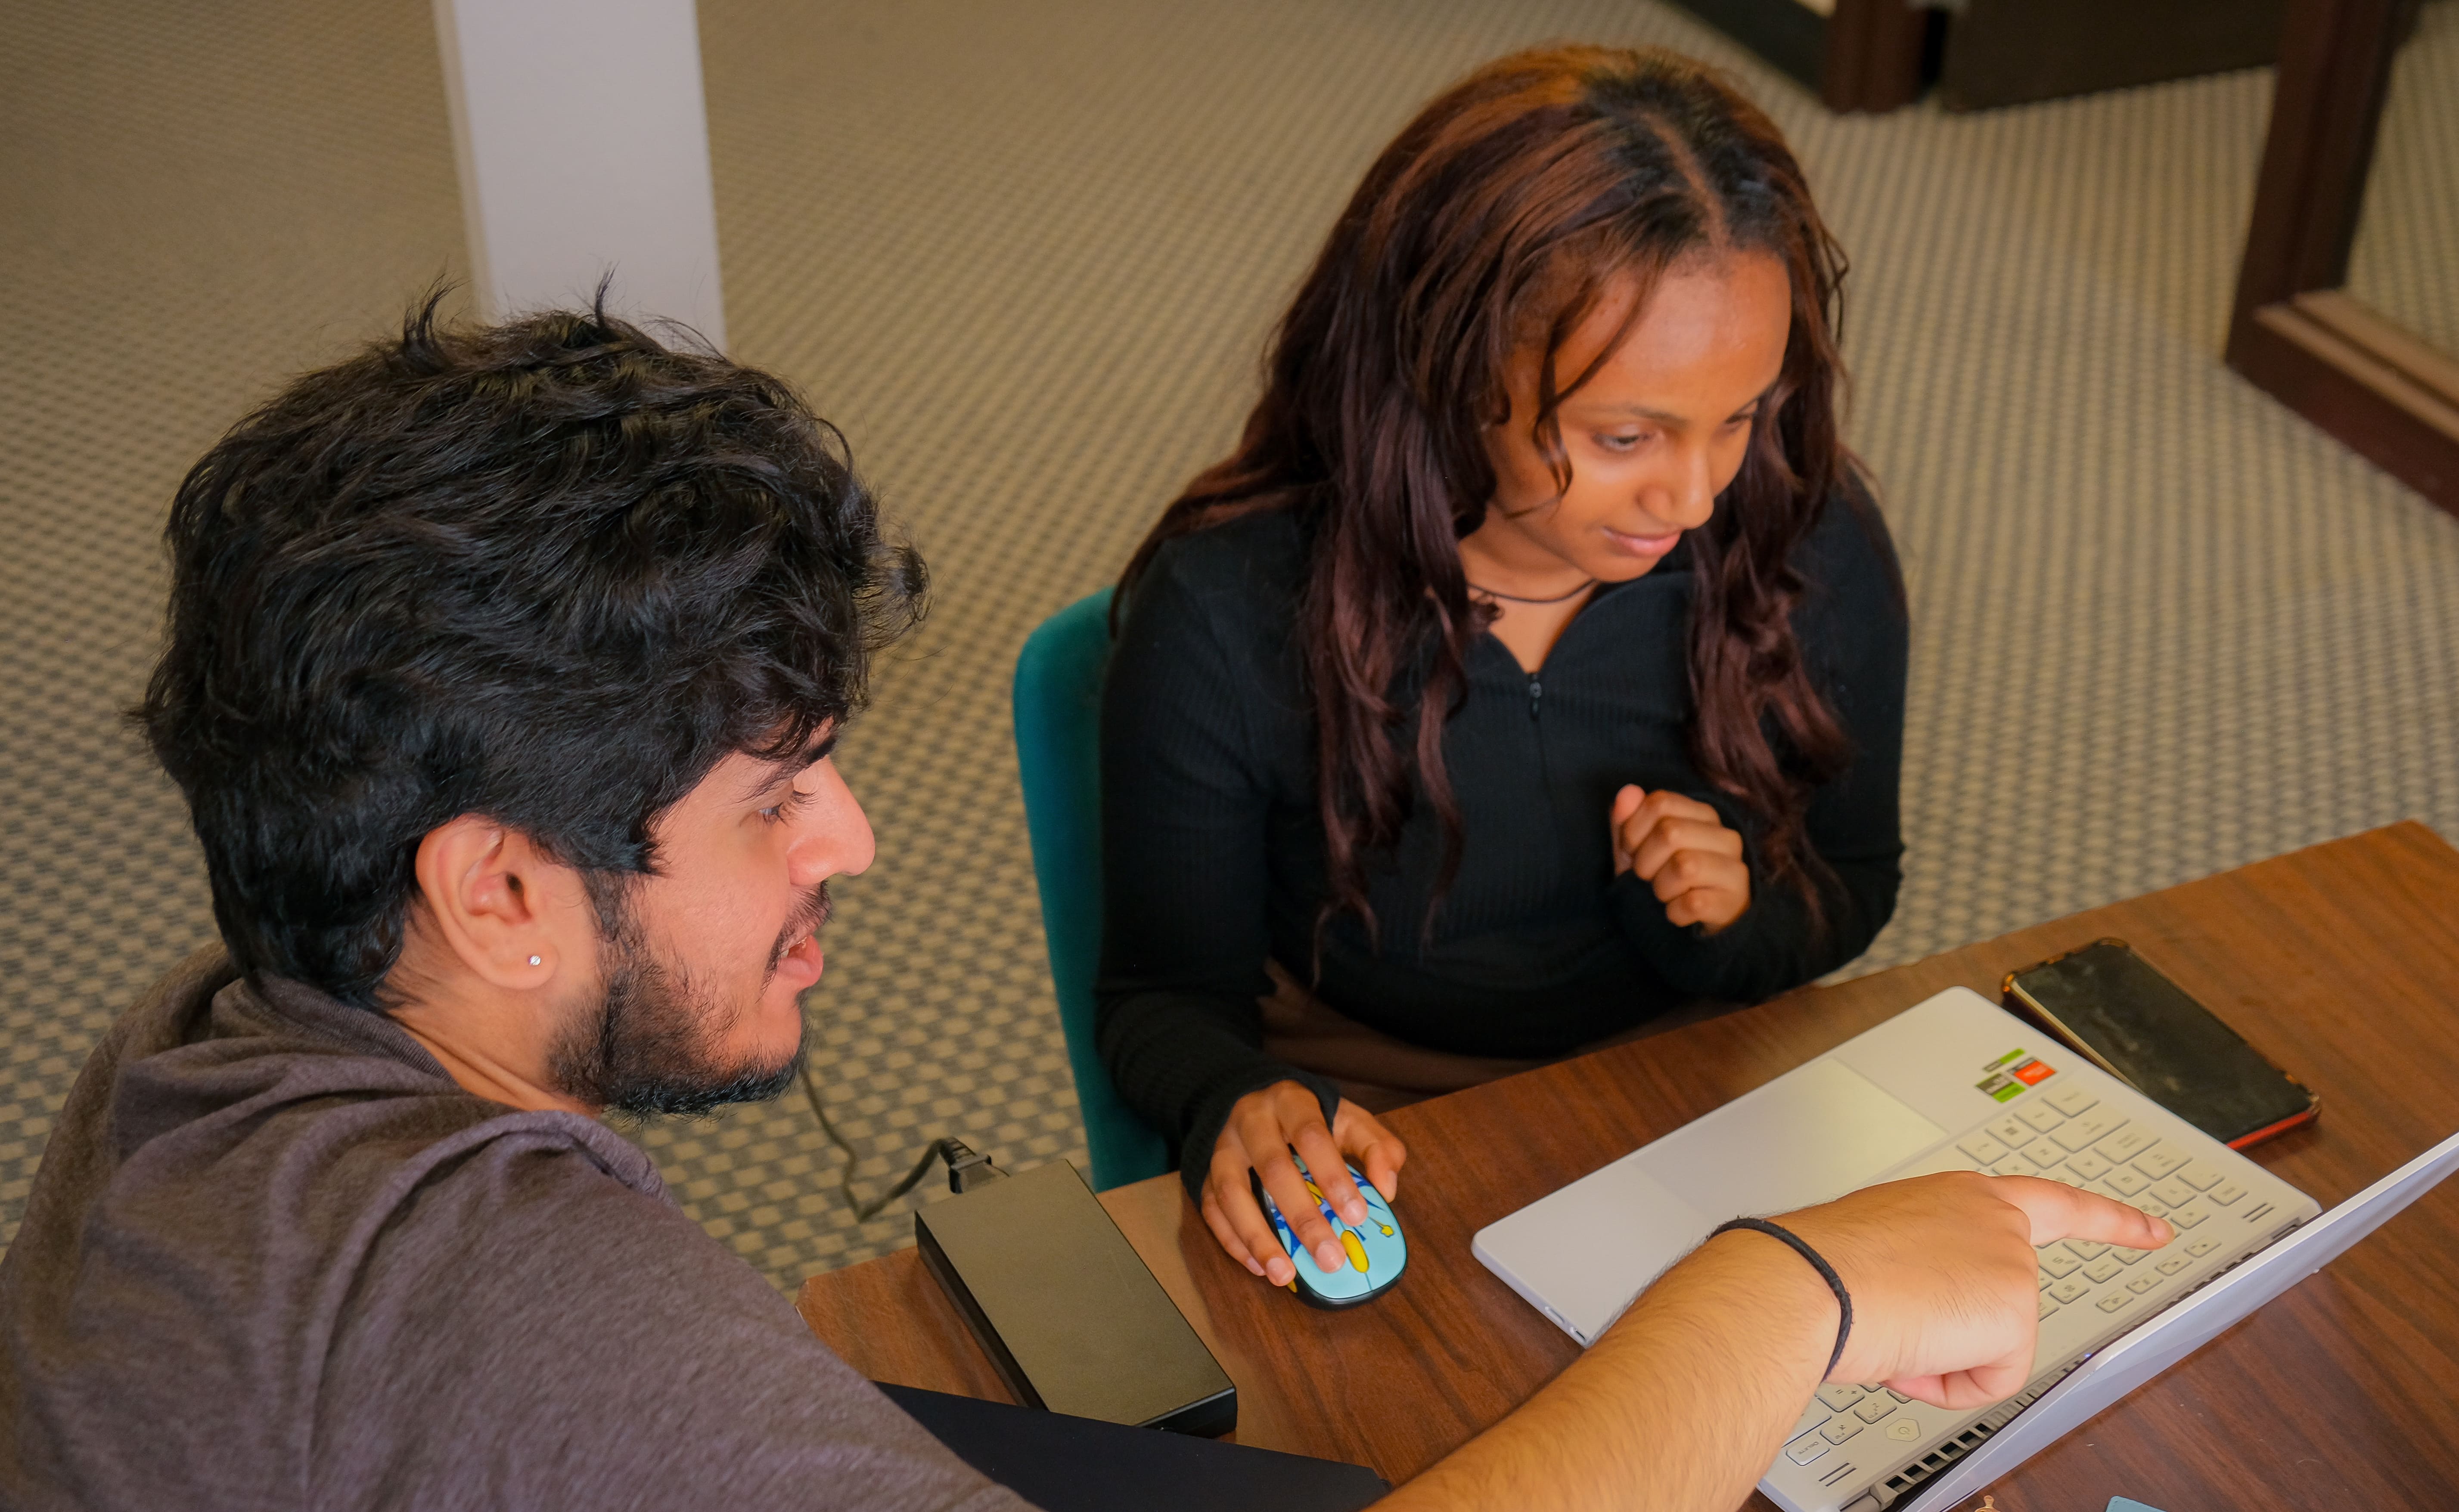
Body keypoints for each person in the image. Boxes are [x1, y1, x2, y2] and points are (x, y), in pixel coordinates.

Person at [0, 304, 2164, 1512]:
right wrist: (1782, 1291)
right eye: (774, 801)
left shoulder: (207, 1044)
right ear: (496, 888)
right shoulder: (543, 1328)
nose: (853, 842)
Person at [1097, 44, 1909, 1292]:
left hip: (1697, 1083)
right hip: (1387, 1128)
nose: (1694, 496)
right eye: (1624, 435)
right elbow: (1163, 993)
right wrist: (1237, 1095)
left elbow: (1854, 879)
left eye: (1743, 414)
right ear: (1447, 368)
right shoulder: (1229, 611)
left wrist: (1732, 927)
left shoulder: (1808, 535)